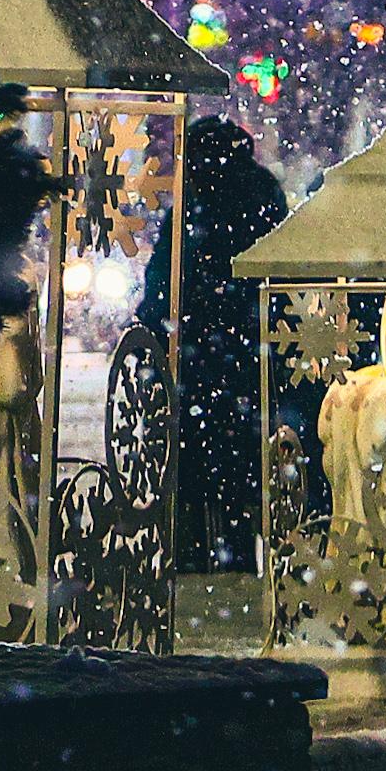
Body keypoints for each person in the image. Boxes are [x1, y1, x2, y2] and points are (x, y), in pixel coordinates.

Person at [133, 115, 296, 570]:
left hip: (196, 362)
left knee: (190, 478)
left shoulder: (191, 203)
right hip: (248, 358)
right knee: (243, 476)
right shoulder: (263, 196)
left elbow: (164, 285)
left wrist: (154, 330)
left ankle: (192, 567)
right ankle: (241, 565)